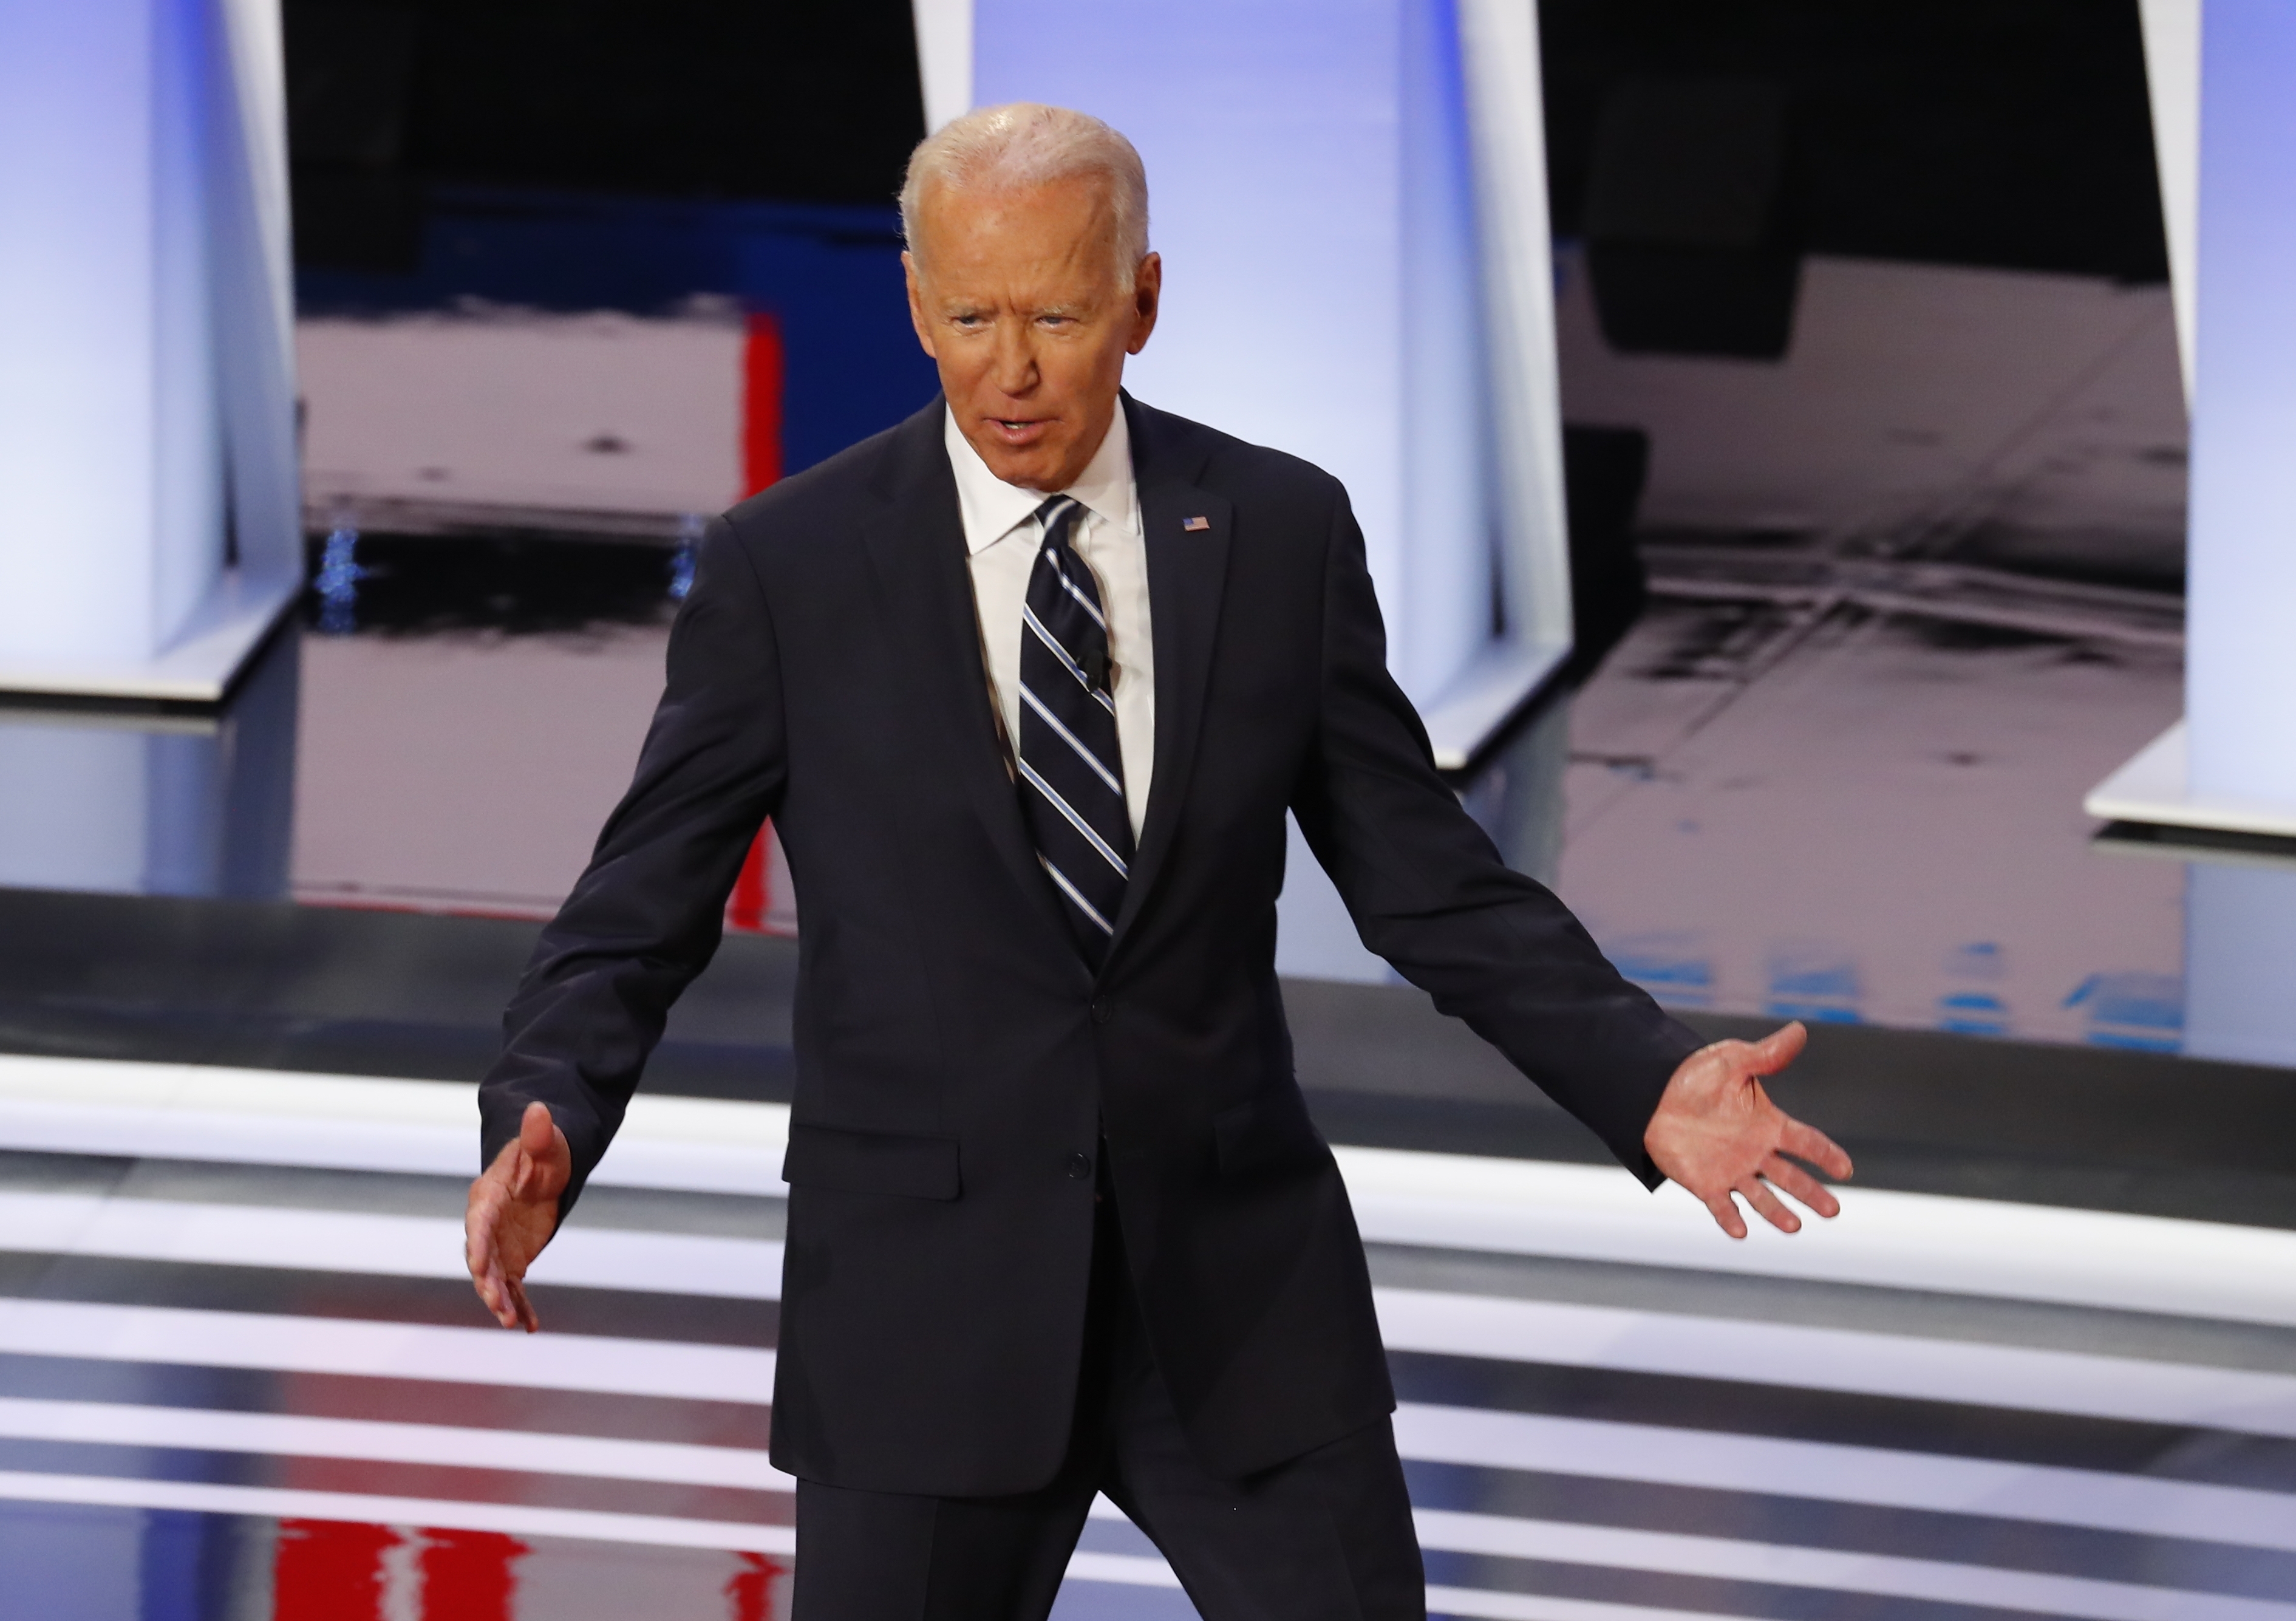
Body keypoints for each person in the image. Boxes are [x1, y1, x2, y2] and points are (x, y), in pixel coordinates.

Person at [465, 103, 1852, 1620]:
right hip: (931, 1316)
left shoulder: (1275, 531)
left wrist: (1640, 1076)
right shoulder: (787, 570)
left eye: (1059, 314)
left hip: (1237, 1300)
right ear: (916, 302)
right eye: (974, 315)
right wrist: (548, 1111)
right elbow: (637, 906)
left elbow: (1425, 878)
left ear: (1141, 300)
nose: (1013, 368)